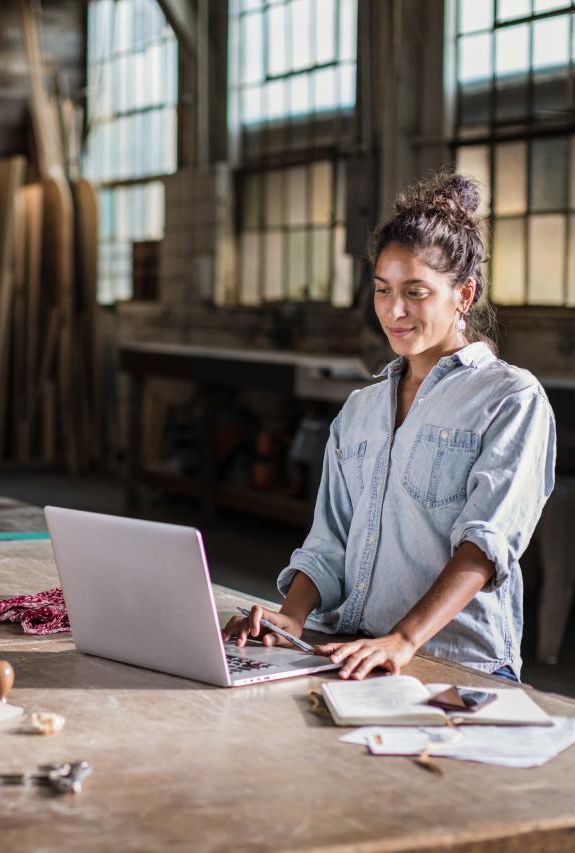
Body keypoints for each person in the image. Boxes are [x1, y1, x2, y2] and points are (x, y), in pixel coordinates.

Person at [222, 172, 556, 682]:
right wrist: (291, 618)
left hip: (453, 663)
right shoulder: (359, 410)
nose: (394, 311)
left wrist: (403, 640)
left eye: (415, 292)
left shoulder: (510, 399)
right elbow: (328, 541)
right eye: (383, 290)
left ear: (463, 294)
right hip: (348, 650)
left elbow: (486, 548)